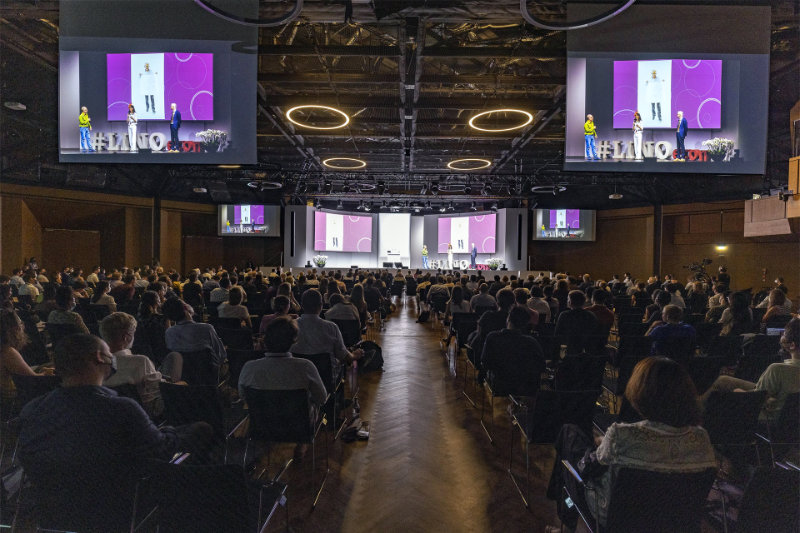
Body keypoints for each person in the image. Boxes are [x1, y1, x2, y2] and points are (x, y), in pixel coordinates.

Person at [17, 333, 212, 532]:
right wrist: (171, 432)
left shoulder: (32, 409)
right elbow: (162, 449)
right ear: (100, 357)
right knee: (201, 430)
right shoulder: (121, 408)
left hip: (54, 512)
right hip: (120, 504)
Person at [546, 357, 716, 532]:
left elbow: (586, 469)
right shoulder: (701, 438)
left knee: (569, 438)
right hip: (673, 521)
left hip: (614, 517)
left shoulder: (623, 434)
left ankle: (565, 520)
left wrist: (601, 446)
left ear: (642, 393)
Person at [239, 317, 327, 459]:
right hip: (298, 427)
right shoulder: (305, 366)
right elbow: (322, 398)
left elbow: (243, 396)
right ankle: (301, 443)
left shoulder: (250, 367)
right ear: (293, 341)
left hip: (262, 425)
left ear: (266, 340)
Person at [701, 317, 800, 420]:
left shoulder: (777, 370)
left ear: (792, 345)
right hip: (791, 420)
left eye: (784, 334)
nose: (781, 336)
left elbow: (755, 401)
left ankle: (695, 414)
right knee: (724, 380)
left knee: (729, 389)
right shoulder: (782, 370)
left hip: (768, 419)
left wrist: (738, 391)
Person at [481, 306, 546, 394]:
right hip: (524, 389)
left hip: (499, 386)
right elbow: (541, 366)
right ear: (525, 323)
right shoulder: (531, 342)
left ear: (508, 319)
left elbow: (485, 363)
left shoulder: (493, 337)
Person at [1, 310, 54, 402]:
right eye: (20, 323)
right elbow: (33, 380)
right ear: (13, 328)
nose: (22, 325)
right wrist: (46, 373)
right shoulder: (8, 352)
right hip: (14, 401)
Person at [163, 297, 226, 367]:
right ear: (185, 308)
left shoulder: (169, 332)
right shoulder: (207, 328)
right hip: (208, 373)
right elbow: (221, 356)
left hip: (183, 375)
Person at [554, 290, 600, 355]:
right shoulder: (591, 315)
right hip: (588, 350)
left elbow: (557, 334)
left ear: (570, 302)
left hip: (569, 349)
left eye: (568, 299)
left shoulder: (564, 315)